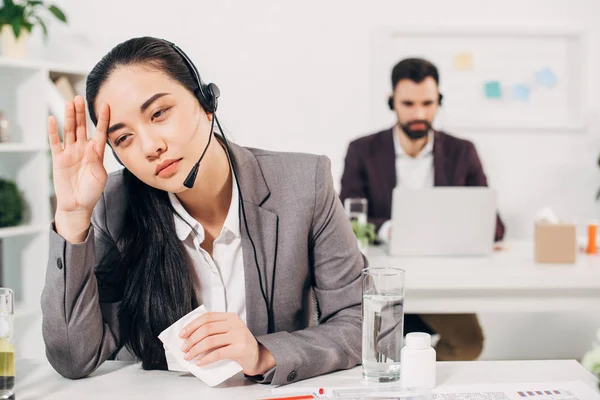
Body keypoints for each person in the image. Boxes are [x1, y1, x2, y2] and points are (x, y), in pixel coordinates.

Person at [41, 36, 364, 386]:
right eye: (124, 138)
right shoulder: (112, 204)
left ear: (206, 102)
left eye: (159, 113)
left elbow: (361, 321)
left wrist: (264, 353)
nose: (151, 147)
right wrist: (72, 220)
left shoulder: (304, 183)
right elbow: (73, 358)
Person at [340, 57, 506, 361]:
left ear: (438, 101)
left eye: (428, 103)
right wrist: (390, 228)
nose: (419, 113)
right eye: (408, 103)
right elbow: (346, 217)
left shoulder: (462, 151)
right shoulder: (362, 150)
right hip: (382, 277)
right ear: (392, 102)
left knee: (469, 343)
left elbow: (494, 226)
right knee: (369, 352)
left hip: (442, 277)